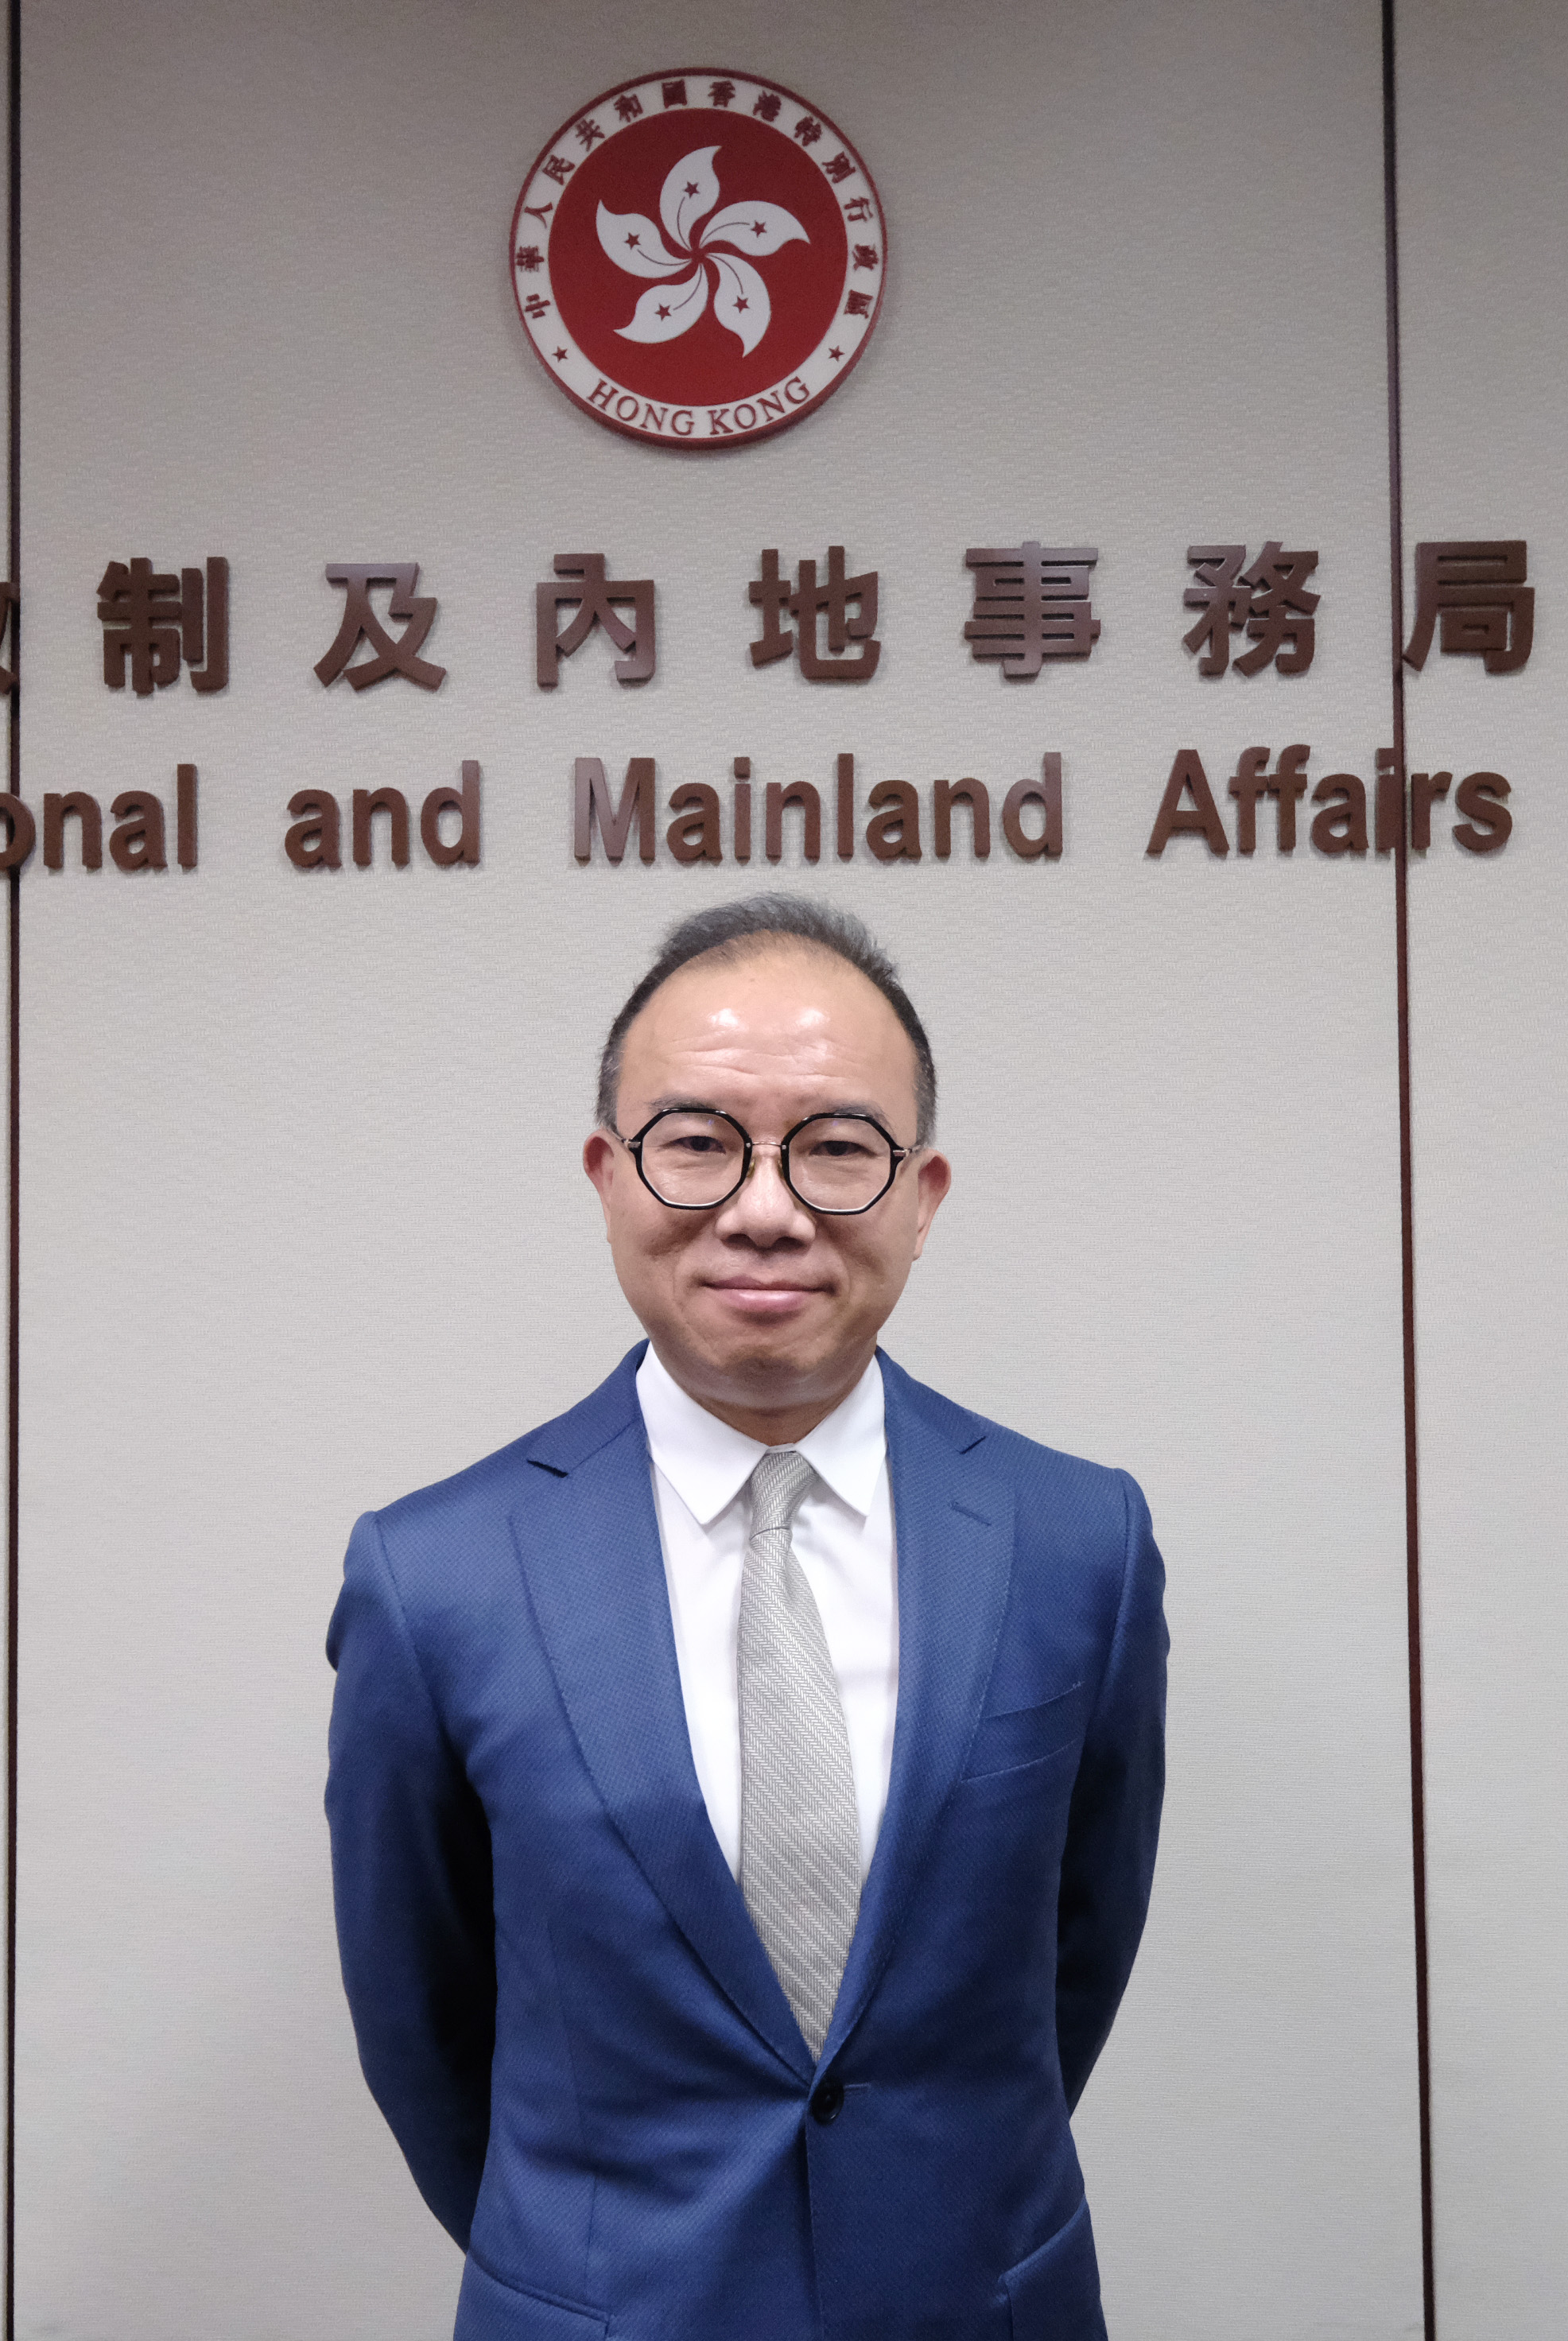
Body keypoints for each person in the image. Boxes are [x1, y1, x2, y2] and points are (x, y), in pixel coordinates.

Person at [325, 895, 1170, 2341]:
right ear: (608, 1176)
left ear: (922, 1194)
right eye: (699, 1142)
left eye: (837, 1147)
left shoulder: (1078, 1544)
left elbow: (1074, 1959)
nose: (766, 1208)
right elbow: (424, 2021)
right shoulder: (436, 1577)